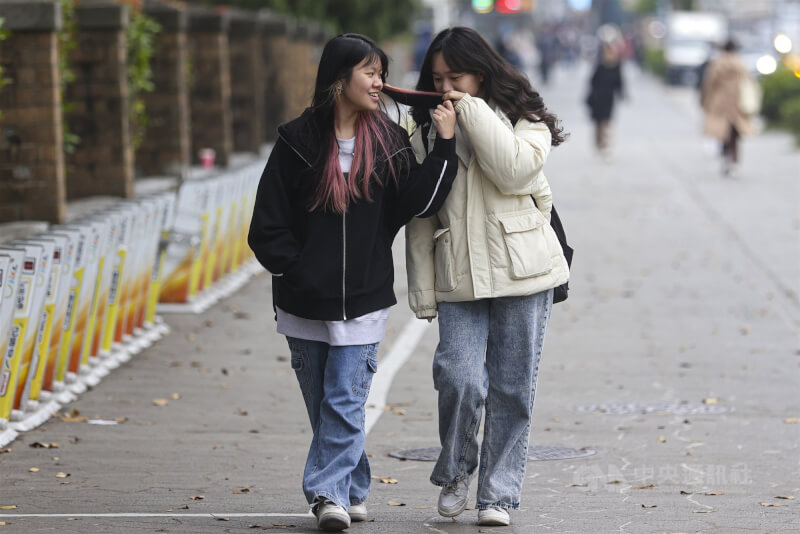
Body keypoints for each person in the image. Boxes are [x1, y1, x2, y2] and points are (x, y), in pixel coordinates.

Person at [248, 33, 457, 532]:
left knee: (344, 400)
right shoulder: (297, 142)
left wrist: (444, 146)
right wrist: (294, 268)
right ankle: (353, 487)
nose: (378, 81)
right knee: (326, 409)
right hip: (303, 301)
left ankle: (327, 495)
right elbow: (266, 224)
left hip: (364, 299)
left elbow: (417, 203)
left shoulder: (387, 142)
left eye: (380, 72)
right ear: (339, 79)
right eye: (369, 72)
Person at [406, 27, 569, 527]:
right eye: (437, 79)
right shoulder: (428, 131)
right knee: (457, 377)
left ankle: (498, 495)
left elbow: (513, 170)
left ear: (482, 72)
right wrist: (421, 288)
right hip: (459, 272)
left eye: (456, 77)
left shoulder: (527, 119)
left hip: (525, 270)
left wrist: (471, 114)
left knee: (513, 388)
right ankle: (457, 471)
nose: (446, 89)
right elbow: (421, 214)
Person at [700, 38, 756, 177]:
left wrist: (705, 100)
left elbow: (709, 84)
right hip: (738, 102)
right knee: (735, 133)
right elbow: (750, 82)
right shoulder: (741, 63)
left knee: (722, 132)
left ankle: (726, 158)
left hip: (720, 102)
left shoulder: (718, 63)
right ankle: (734, 160)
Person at [586, 36, 625, 157]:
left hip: (609, 98)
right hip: (598, 99)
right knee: (598, 123)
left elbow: (620, 82)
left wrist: (622, 93)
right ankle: (599, 143)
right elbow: (592, 81)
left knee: (607, 122)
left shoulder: (617, 66)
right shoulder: (600, 65)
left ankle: (606, 144)